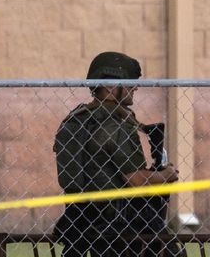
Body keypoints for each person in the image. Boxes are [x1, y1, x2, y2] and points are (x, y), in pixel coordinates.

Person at [52, 51, 181, 257]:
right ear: (111, 87)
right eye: (130, 84)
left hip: (80, 222)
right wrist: (167, 175)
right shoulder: (117, 126)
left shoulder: (77, 120)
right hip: (120, 225)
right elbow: (138, 180)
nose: (135, 88)